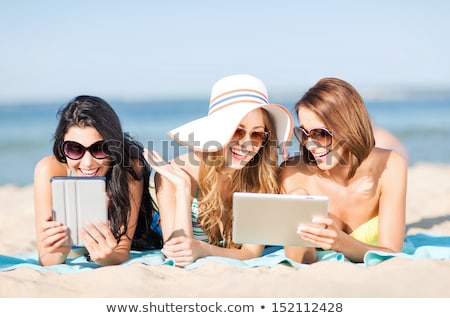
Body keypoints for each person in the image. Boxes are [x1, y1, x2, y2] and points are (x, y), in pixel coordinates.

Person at [144, 74, 303, 267]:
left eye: (257, 134)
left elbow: (251, 252)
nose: (246, 144)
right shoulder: (176, 174)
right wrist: (183, 189)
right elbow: (177, 254)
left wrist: (203, 249)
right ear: (218, 131)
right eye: (237, 130)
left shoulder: (261, 176)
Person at [279, 77, 408, 263]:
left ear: (348, 128)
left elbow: (392, 252)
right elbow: (299, 261)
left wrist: (339, 241)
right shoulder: (293, 175)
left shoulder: (391, 165)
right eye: (304, 134)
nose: (311, 145)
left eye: (320, 134)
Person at [34, 95, 162, 266]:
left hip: (144, 233)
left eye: (100, 148)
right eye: (74, 149)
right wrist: (57, 253)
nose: (87, 163)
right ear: (61, 145)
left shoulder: (129, 167)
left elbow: (122, 250)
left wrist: (107, 258)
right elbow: (46, 259)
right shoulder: (48, 170)